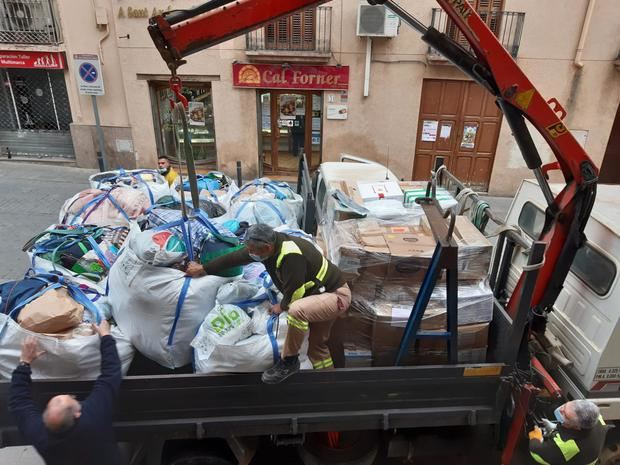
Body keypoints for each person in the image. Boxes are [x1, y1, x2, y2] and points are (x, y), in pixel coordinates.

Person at [186, 224, 351, 384]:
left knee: (296, 311)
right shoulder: (267, 247)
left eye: (253, 251)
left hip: (334, 296)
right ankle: (327, 383)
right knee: (316, 346)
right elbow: (235, 258)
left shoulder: (290, 255)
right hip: (317, 295)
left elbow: (296, 293)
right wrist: (204, 268)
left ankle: (289, 362)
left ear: (267, 248)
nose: (251, 253)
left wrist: (282, 306)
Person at [9, 321, 124, 465]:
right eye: (72, 398)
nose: (70, 395)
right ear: (77, 414)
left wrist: (24, 362)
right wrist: (106, 336)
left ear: (43, 418)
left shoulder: (37, 433)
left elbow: (19, 401)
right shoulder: (94, 417)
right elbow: (111, 374)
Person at [529, 400, 609, 465]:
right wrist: (555, 427)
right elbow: (570, 425)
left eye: (565, 415)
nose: (561, 409)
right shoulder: (597, 417)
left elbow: (539, 454)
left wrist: (536, 438)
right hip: (589, 452)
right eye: (565, 405)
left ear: (577, 427)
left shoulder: (568, 444)